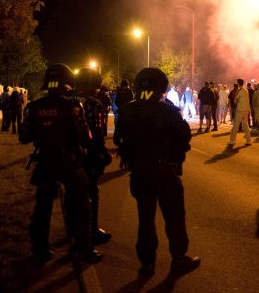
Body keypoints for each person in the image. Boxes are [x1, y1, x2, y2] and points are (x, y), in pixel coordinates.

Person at [114, 68, 200, 277]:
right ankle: (178, 259)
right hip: (164, 171)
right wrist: (176, 156)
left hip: (139, 172)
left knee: (145, 219)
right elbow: (184, 137)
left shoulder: (126, 111)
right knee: (174, 217)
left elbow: (118, 140)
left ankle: (147, 264)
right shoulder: (169, 111)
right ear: (161, 87)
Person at [19, 63, 102, 263]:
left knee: (42, 208)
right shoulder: (73, 107)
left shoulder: (33, 107)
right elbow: (85, 137)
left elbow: (24, 137)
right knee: (82, 205)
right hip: (69, 163)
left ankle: (39, 250)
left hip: (46, 162)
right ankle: (83, 249)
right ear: (68, 82)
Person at [75, 67, 113, 245]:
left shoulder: (69, 100)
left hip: (70, 155)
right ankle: (92, 232)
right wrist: (104, 153)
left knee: (72, 194)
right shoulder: (93, 104)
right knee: (92, 193)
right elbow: (97, 134)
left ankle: (74, 230)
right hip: (88, 155)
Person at [228, 79, 252, 146]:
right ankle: (249, 140)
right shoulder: (246, 90)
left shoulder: (240, 91)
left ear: (238, 83)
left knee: (236, 126)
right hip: (246, 110)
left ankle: (232, 140)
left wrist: (236, 94)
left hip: (240, 110)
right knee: (245, 125)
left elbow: (235, 101)